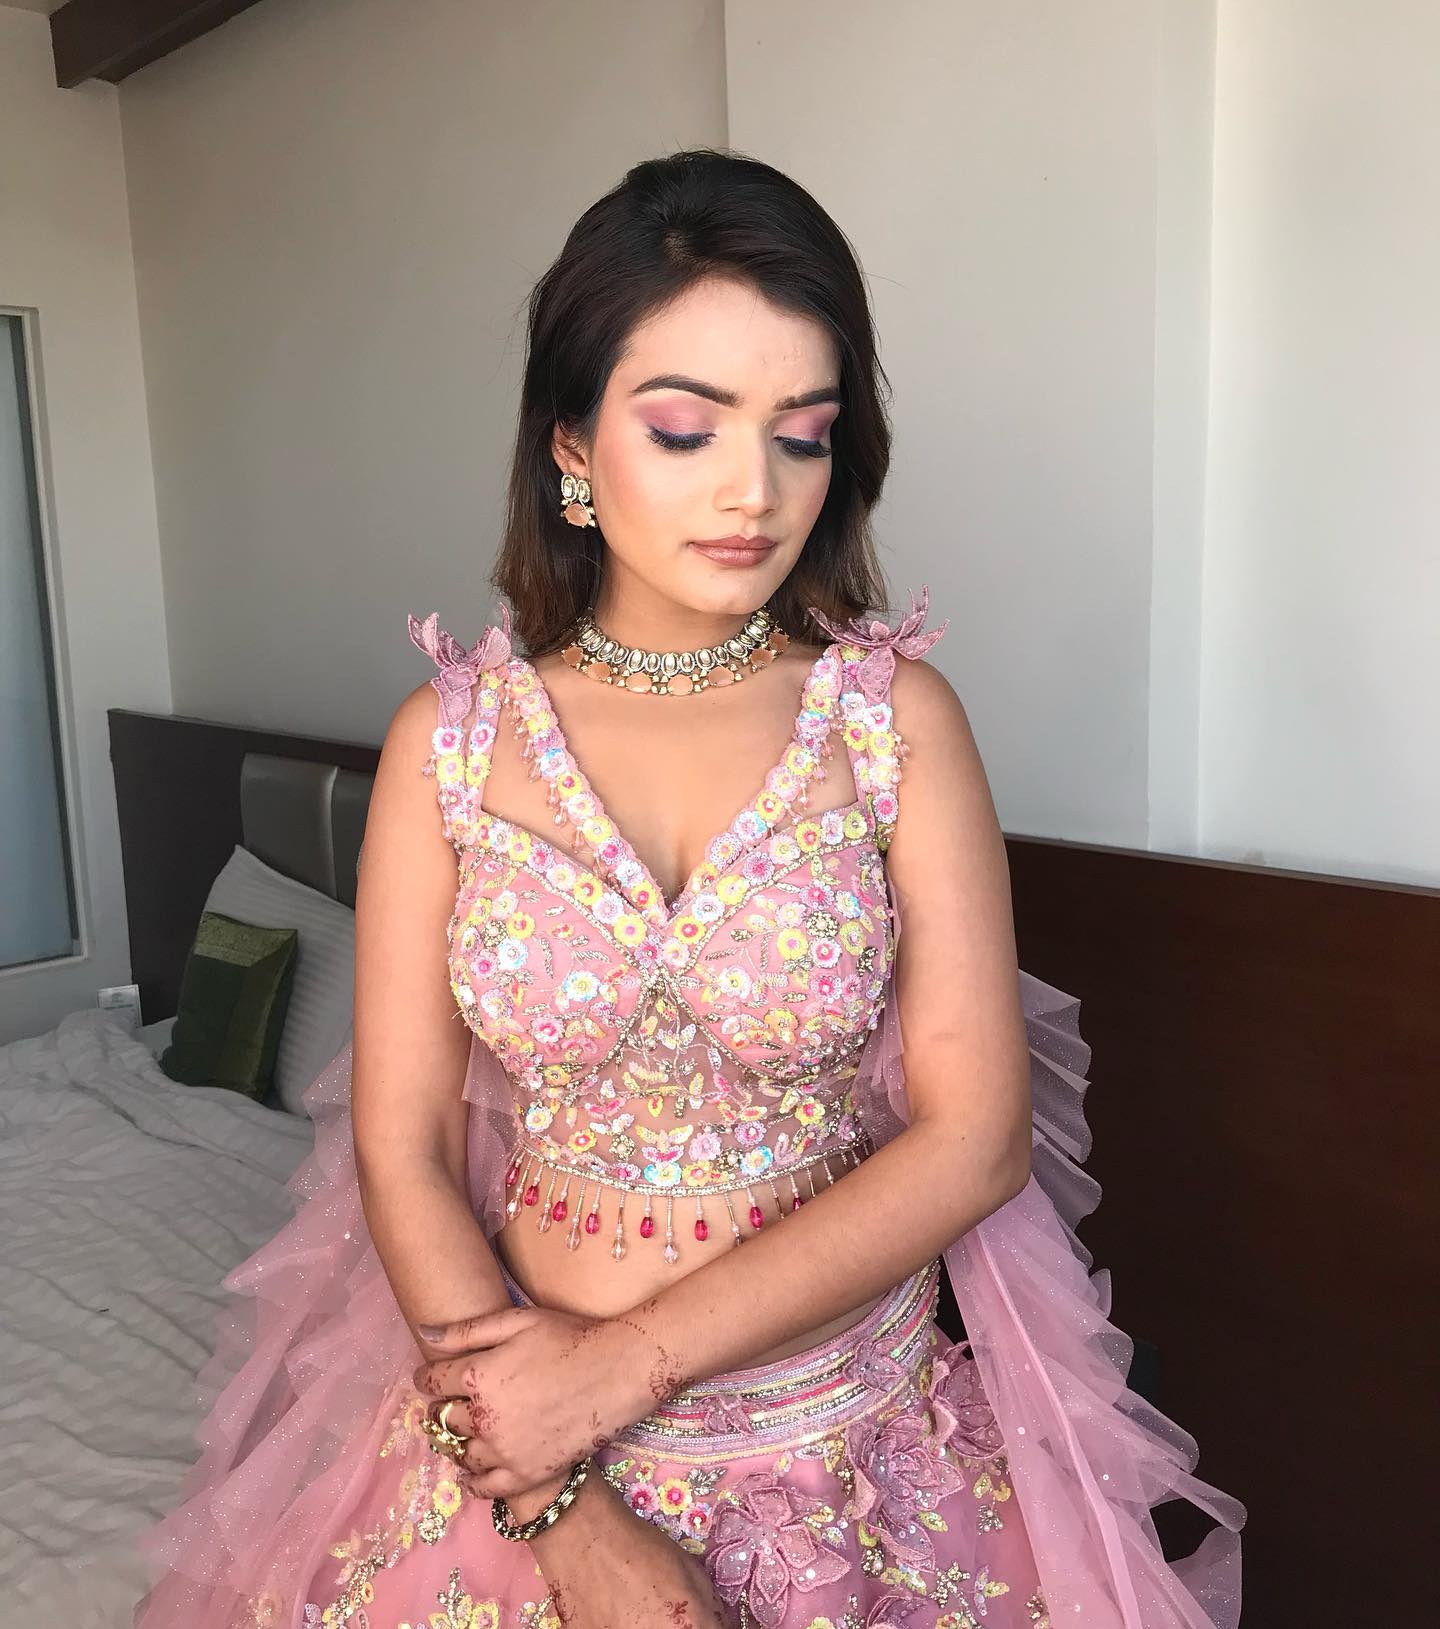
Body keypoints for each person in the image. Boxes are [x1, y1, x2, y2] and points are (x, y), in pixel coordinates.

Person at [135, 149, 1244, 1629]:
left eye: (803, 434)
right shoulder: (446, 746)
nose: (754, 490)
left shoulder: (893, 723)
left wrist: (619, 1366)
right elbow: (401, 1150)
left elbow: (975, 1140)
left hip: (852, 1449)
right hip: (525, 1449)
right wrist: (559, 1506)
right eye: (684, 427)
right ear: (571, 445)